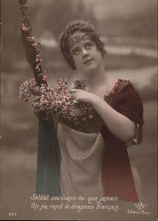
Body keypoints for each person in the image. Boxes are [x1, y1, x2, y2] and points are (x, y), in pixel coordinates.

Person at [22, 20, 144, 202]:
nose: (84, 53)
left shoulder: (123, 90)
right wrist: (44, 111)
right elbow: (60, 136)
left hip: (117, 182)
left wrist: (94, 99)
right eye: (76, 51)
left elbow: (128, 132)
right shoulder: (70, 93)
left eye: (88, 45)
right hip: (73, 186)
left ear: (100, 49)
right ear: (72, 61)